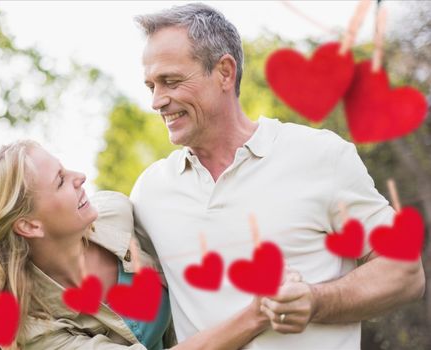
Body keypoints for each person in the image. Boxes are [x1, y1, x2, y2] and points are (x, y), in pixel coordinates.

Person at [130, 3, 426, 349]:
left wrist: (316, 301)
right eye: (151, 85)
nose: (157, 101)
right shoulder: (149, 193)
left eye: (171, 81)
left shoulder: (319, 156)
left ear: (225, 72)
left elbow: (404, 271)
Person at [0, 140, 285, 350]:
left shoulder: (113, 212)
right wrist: (258, 313)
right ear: (28, 224)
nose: (81, 178)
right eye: (61, 180)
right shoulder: (31, 330)